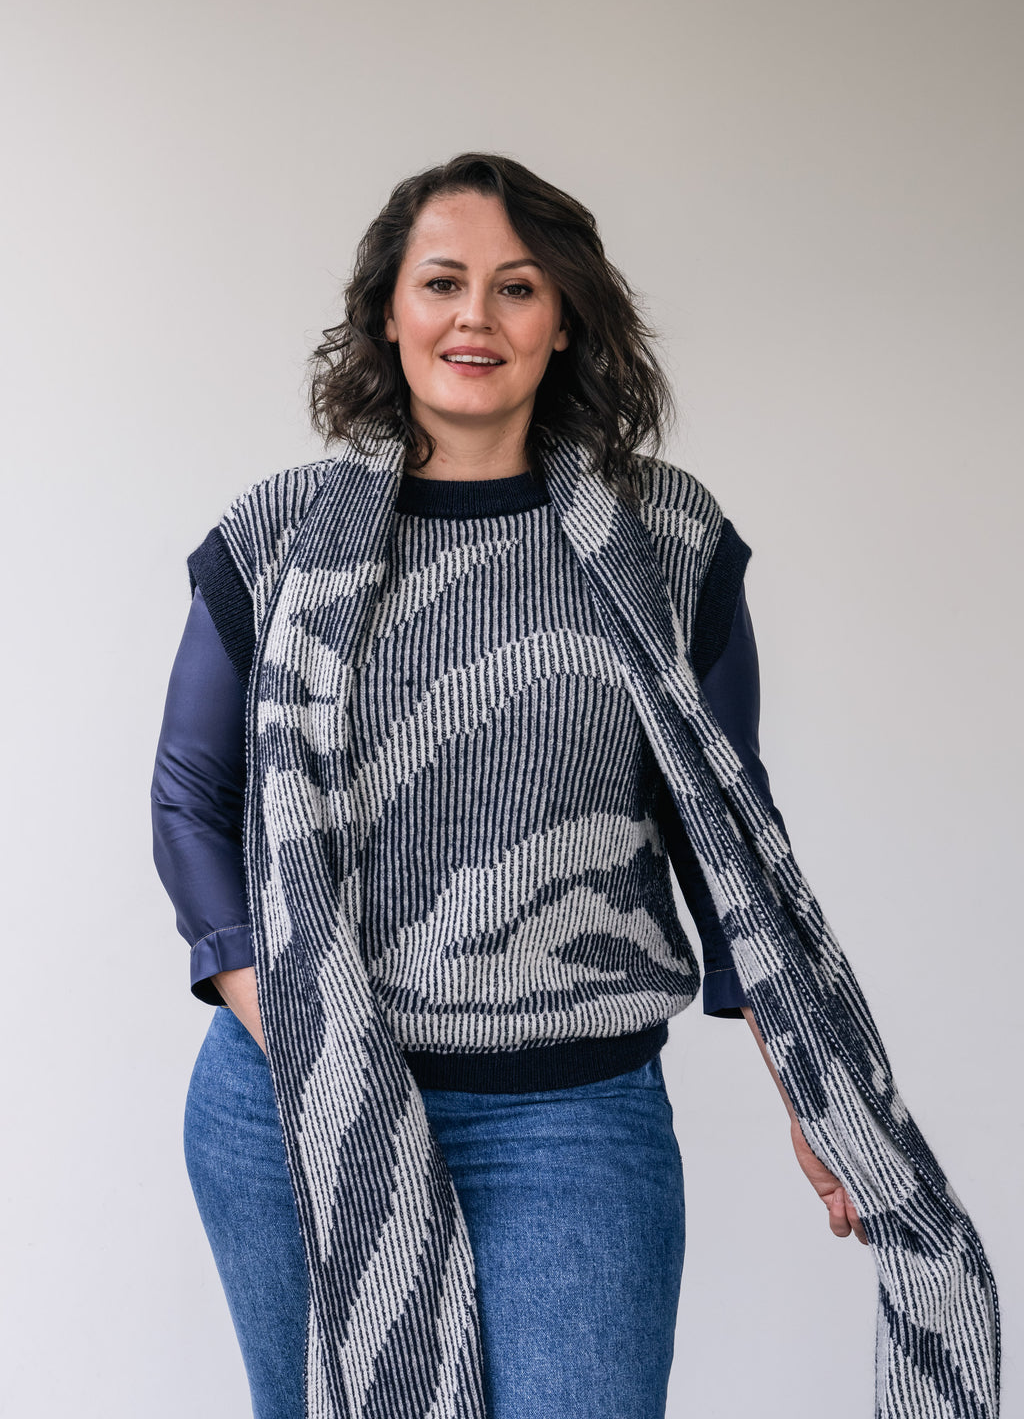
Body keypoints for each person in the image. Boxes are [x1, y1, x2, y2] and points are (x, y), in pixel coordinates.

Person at [151, 153, 996, 1419]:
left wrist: (806, 1091)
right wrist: (302, 1042)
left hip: (570, 1120)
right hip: (290, 1113)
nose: (474, 318)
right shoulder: (273, 535)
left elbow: (727, 836)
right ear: (389, 310)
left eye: (517, 286)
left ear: (566, 320)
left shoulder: (670, 541)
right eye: (441, 282)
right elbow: (187, 797)